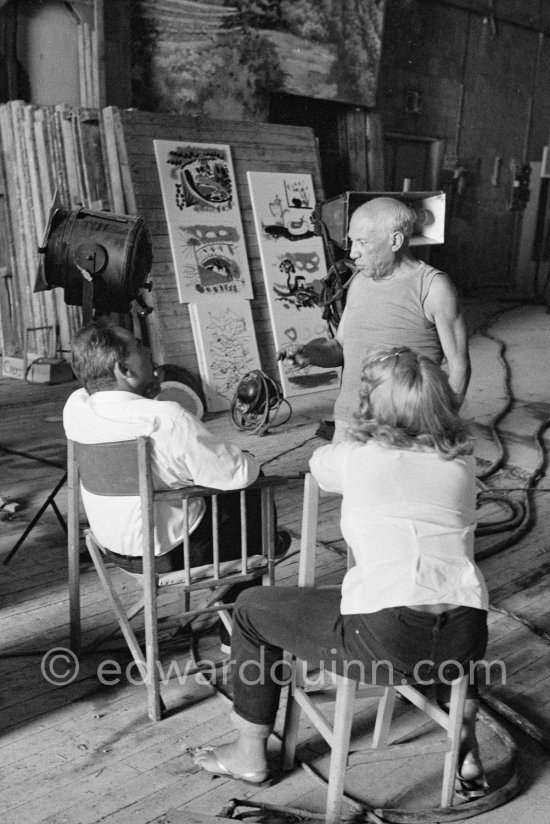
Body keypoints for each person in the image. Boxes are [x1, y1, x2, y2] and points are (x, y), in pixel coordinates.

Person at [194, 346, 489, 799]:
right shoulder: (463, 463)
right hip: (466, 633)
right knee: (437, 619)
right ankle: (465, 746)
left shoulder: (357, 458)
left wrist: (352, 427)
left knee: (251, 609)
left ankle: (249, 752)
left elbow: (320, 465)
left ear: (373, 406)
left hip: (387, 636)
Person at [63, 319, 289, 646]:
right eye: (140, 347)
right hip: (171, 557)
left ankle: (236, 600)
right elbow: (240, 473)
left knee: (202, 484)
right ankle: (237, 631)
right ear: (123, 368)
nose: (148, 350)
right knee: (251, 485)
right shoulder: (166, 418)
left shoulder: (76, 407)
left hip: (113, 550)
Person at [279, 196, 471, 442]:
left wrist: (441, 424)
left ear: (395, 241)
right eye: (351, 242)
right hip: (348, 423)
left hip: (403, 433)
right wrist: (310, 354)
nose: (353, 252)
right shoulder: (359, 282)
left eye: (362, 242)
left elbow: (460, 367)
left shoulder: (433, 287)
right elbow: (340, 347)